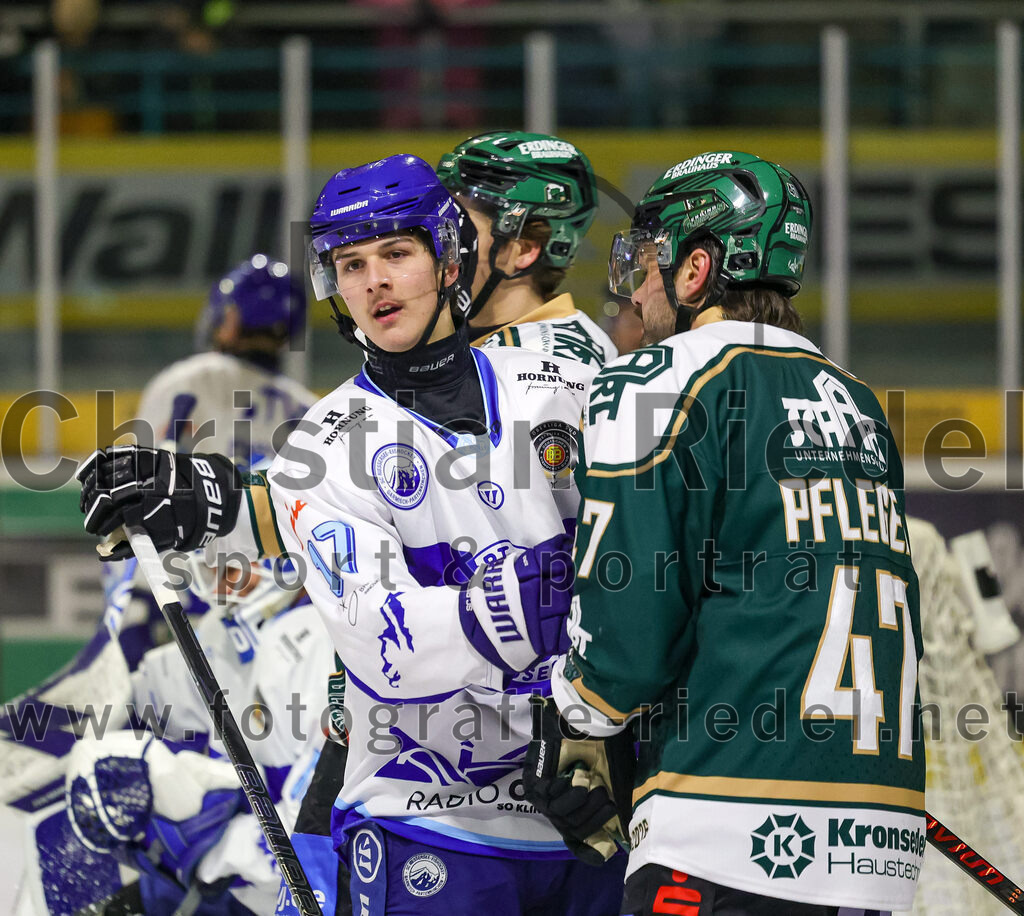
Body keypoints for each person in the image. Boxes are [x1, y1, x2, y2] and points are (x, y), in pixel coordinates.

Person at [78, 154, 627, 915]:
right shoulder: (324, 445)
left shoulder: (563, 389)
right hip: (428, 818)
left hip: (587, 819)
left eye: (397, 255)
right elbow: (383, 644)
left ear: (447, 260)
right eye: (351, 263)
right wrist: (535, 597)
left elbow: (647, 564)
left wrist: (615, 741)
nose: (373, 283)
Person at [526, 151, 926, 914]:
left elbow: (629, 623)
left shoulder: (658, 378)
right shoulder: (860, 402)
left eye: (648, 263)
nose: (637, 289)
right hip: (882, 846)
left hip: (724, 831)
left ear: (696, 269)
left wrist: (576, 712)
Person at [437, 130, 618, 367]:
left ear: (522, 251)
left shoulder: (551, 358)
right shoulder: (457, 332)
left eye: (460, 227)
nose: (441, 242)